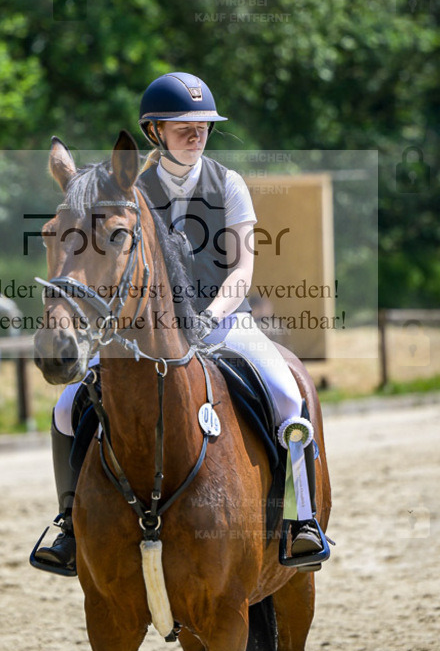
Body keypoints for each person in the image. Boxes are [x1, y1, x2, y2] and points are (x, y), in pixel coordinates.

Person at [32, 71, 322, 574]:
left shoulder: (228, 184)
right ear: (154, 132)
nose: (196, 134)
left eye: (204, 125)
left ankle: (301, 521)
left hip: (223, 320)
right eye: (182, 125)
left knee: (286, 392)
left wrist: (211, 315)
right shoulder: (129, 190)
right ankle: (68, 524)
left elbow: (243, 268)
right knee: (64, 408)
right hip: (143, 330)